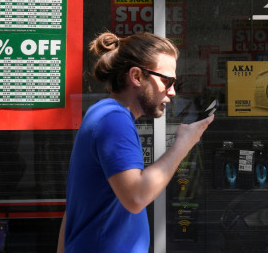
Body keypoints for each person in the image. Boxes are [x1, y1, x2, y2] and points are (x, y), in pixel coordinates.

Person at [57, 31, 214, 253]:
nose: (172, 92)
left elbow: (75, 205)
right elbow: (137, 196)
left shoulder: (102, 113)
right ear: (137, 76)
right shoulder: (114, 119)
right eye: (166, 81)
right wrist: (183, 144)